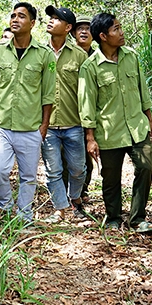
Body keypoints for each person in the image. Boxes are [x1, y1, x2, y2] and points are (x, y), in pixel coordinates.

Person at [79, 13, 152, 233]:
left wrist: (150, 120)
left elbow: (143, 91)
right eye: (116, 29)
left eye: (120, 27)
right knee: (110, 178)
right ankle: (113, 216)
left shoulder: (131, 57)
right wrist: (90, 137)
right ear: (103, 36)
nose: (121, 32)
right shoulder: (90, 67)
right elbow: (87, 105)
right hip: (109, 131)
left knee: (146, 166)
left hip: (137, 127)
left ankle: (137, 218)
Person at [0, 2, 55, 223]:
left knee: (28, 177)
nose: (15, 19)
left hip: (30, 127)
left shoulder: (45, 55)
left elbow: (48, 94)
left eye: (21, 16)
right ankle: (5, 208)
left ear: (32, 23)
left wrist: (44, 125)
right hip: (2, 124)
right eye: (13, 15)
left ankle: (24, 215)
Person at [40, 6, 89, 223]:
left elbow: (87, 92)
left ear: (68, 27)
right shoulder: (39, 53)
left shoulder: (79, 56)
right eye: (50, 18)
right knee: (53, 170)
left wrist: (89, 127)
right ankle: (59, 209)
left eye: (56, 19)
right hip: (47, 126)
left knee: (78, 169)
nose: (51, 21)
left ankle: (75, 198)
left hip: (74, 124)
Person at [70, 15, 95, 204]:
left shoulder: (99, 56)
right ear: (73, 32)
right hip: (69, 114)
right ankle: (65, 194)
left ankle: (82, 191)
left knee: (87, 158)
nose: (84, 31)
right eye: (80, 28)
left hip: (92, 115)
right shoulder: (66, 54)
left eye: (88, 28)